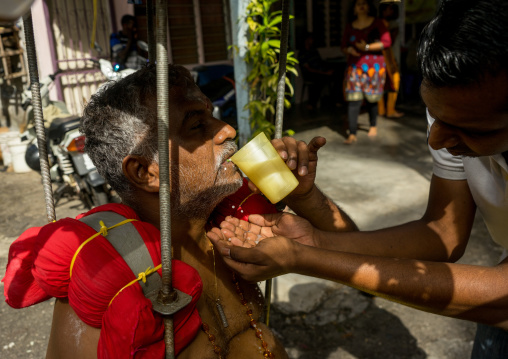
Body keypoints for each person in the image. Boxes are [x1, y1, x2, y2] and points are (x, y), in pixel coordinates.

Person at [208, 0, 508, 358]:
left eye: (468, 130)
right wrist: (311, 225)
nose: (437, 141)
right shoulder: (455, 113)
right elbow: (443, 235)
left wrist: (304, 259)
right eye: (434, 115)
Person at [2, 64, 316, 358]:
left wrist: (305, 196)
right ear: (144, 172)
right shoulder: (110, 277)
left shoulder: (235, 222)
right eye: (196, 125)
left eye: (212, 115)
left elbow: (354, 254)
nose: (227, 130)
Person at [341, 0, 391, 144]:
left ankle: (373, 125)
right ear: (354, 9)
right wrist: (349, 50)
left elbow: (386, 42)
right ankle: (352, 133)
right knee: (353, 99)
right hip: (354, 67)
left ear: (369, 7)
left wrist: (367, 47)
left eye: (364, 2)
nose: (361, 5)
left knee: (372, 99)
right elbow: (343, 45)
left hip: (374, 68)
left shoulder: (378, 23)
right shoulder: (349, 26)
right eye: (358, 3)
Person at [377, 3, 404, 119]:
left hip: (384, 58)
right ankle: (389, 110)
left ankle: (382, 110)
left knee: (380, 84)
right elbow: (387, 44)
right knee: (394, 81)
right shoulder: (386, 24)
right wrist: (392, 63)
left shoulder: (379, 23)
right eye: (389, 9)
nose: (391, 11)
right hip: (387, 58)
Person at [298, 33, 336, 111]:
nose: (312, 41)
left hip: (320, 71)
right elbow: (309, 69)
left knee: (335, 75)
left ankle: (334, 100)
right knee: (320, 80)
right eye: (311, 39)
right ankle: (312, 103)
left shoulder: (313, 50)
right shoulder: (302, 53)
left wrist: (327, 70)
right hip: (310, 74)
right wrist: (325, 73)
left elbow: (320, 62)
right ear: (306, 40)